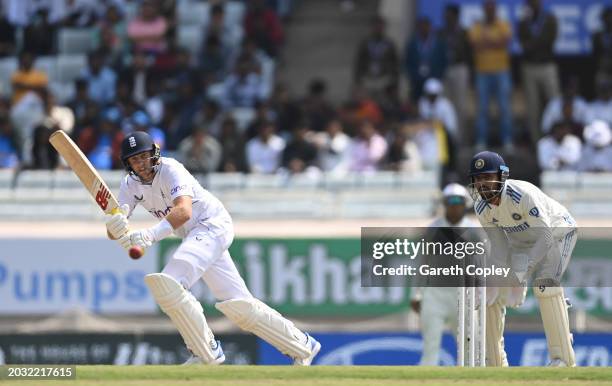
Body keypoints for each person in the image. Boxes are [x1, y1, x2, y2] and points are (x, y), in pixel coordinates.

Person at [105, 131, 321, 365]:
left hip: (211, 225)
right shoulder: (129, 184)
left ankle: (205, 352)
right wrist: (115, 224)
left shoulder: (171, 169)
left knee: (168, 283)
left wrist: (149, 235)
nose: (142, 163)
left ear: (154, 154)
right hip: (195, 237)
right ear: (128, 164)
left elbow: (183, 211)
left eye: (144, 156)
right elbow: (116, 224)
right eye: (135, 160)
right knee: (241, 307)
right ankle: (303, 345)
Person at [468, 151, 577, 366]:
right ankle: (495, 362)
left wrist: (521, 274)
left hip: (557, 233)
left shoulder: (522, 195)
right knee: (492, 292)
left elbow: (545, 239)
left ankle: (562, 359)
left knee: (545, 286)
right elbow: (499, 248)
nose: (482, 184)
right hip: (521, 243)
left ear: (502, 176)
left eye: (487, 177)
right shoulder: (481, 207)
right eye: (478, 179)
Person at [410, 183, 481, 365]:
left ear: (464, 204)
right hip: (434, 294)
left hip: (463, 294)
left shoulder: (473, 231)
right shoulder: (433, 229)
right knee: (431, 345)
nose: (454, 206)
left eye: (458, 202)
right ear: (444, 203)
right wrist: (416, 293)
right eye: (450, 201)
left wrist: (480, 292)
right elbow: (422, 262)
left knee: (467, 346)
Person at [468, 0, 513, 150]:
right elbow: (475, 45)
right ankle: (481, 140)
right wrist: (494, 42)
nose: (490, 11)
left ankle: (507, 140)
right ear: (483, 10)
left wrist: (487, 41)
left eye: (492, 8)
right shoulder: (476, 26)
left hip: (501, 71)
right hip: (482, 72)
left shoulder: (503, 24)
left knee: (504, 108)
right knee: (482, 109)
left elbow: (505, 42)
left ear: (495, 10)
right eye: (487, 8)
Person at [518, 0, 560, 144]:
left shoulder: (549, 19)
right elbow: (523, 44)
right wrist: (535, 43)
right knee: (532, 108)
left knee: (554, 103)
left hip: (547, 65)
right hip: (530, 67)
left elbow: (550, 40)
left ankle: (556, 138)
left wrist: (533, 43)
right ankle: (537, 142)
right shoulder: (524, 21)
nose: (533, 3)